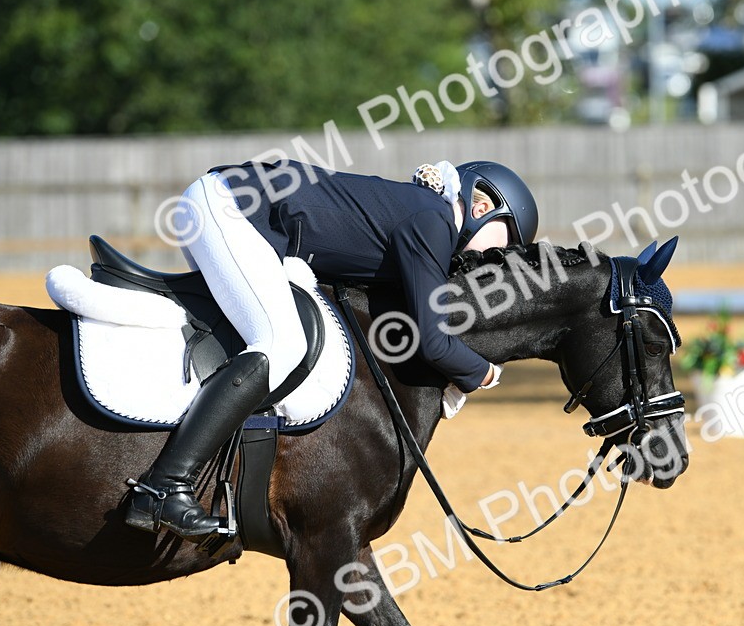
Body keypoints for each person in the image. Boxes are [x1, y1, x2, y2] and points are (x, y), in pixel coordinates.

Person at [125, 159, 539, 541]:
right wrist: (485, 372)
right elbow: (432, 340)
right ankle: (163, 487)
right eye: (505, 243)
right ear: (482, 205)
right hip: (229, 207)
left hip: (232, 207)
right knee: (281, 343)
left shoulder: (426, 217)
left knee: (262, 335)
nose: (495, 260)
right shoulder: (433, 222)